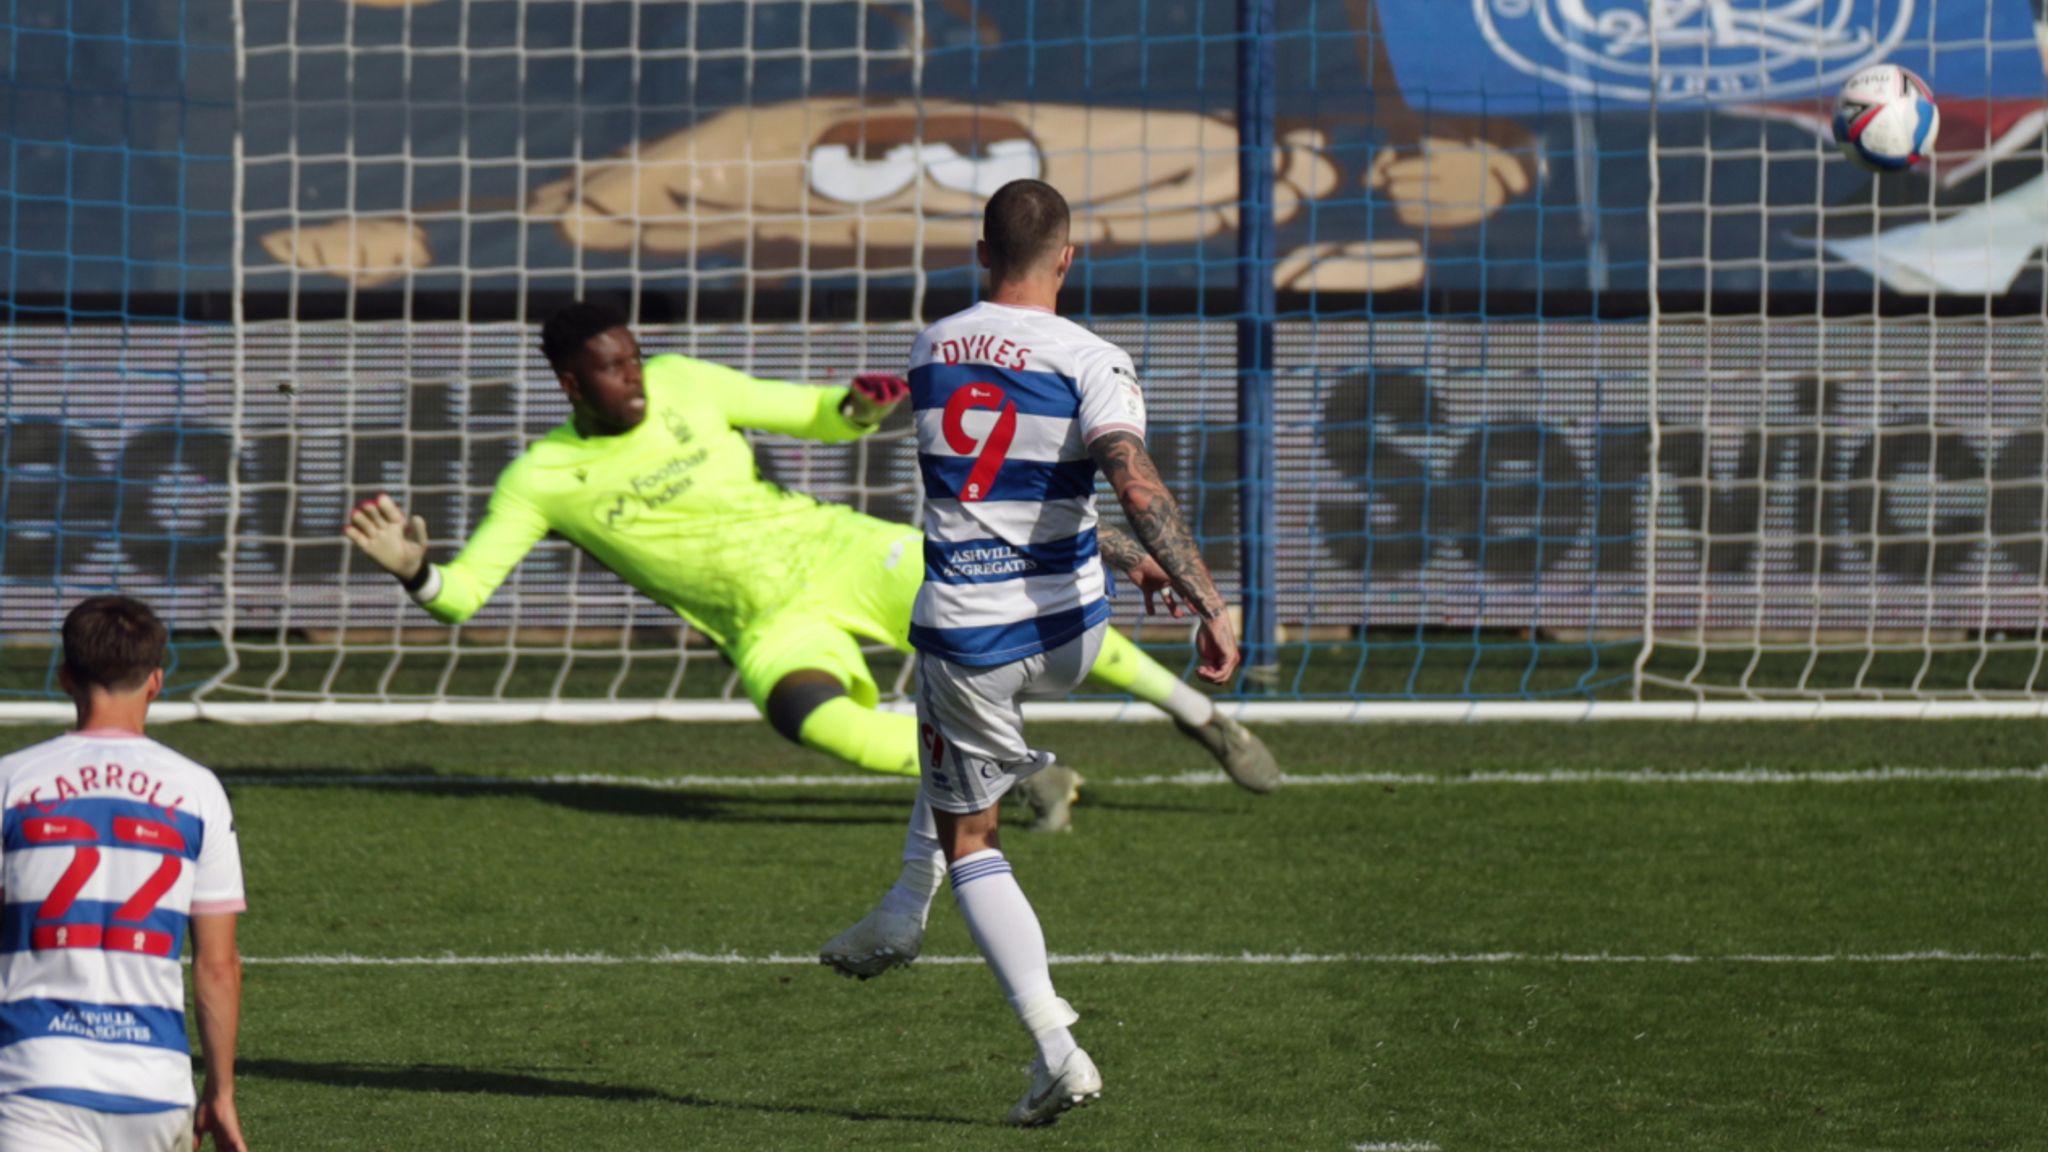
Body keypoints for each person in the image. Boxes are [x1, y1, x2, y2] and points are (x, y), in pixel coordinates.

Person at [342, 301, 1280, 846]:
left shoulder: (687, 384)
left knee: (1029, 601)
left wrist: (857, 403)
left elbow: (815, 412)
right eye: (615, 371)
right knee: (805, 715)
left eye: (634, 359)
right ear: (570, 386)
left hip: (838, 548)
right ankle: (1025, 770)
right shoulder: (539, 480)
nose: (635, 379)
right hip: (764, 620)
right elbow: (462, 597)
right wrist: (415, 569)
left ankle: (1205, 718)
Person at [875, 177, 1241, 1126]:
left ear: (981, 253)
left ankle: (1053, 1049)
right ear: (1068, 259)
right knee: (948, 739)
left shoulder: (933, 344)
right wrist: (1197, 591)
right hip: (1073, 629)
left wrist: (1190, 582)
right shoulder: (1093, 357)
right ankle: (898, 910)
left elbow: (1016, 488)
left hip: (974, 629)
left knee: (974, 838)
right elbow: (1118, 475)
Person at [0, 597, 248, 1152]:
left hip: (34, 1078)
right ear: (156, 682)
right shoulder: (198, 790)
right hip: (156, 1087)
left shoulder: (11, 782)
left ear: (65, 678)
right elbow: (217, 966)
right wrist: (221, 1092)